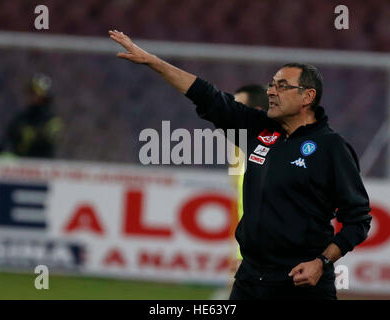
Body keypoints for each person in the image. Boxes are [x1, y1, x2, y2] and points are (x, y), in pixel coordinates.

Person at [108, 30, 372, 300]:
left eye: (282, 86)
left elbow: (358, 220)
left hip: (301, 282)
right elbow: (208, 96)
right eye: (271, 84)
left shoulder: (332, 148)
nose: (270, 91)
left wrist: (322, 263)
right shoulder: (259, 130)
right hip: (251, 278)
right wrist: (153, 62)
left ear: (307, 97)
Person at [231, 85, 269, 273]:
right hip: (249, 248)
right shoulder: (240, 147)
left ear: (257, 111)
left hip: (268, 254)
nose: (230, 112)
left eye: (237, 106)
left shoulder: (274, 149)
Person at [0, 73, 63, 159]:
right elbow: (7, 141)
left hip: (43, 166)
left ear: (44, 97)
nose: (31, 96)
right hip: (21, 163)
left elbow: (48, 144)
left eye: (35, 93)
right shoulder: (21, 118)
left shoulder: (52, 120)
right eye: (30, 93)